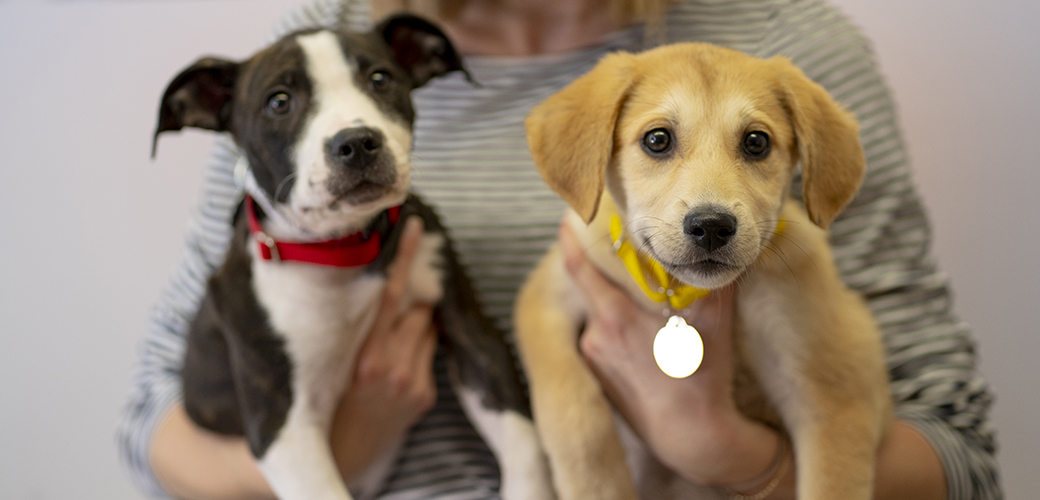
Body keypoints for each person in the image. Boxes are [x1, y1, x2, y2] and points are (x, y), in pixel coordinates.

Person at [117, 0, 1002, 498]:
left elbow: (958, 446)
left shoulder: (785, 50)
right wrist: (332, 450)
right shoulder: (332, 51)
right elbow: (155, 414)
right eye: (656, 142)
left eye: (755, 147)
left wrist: (731, 454)